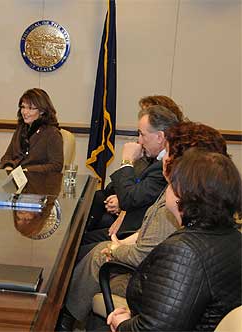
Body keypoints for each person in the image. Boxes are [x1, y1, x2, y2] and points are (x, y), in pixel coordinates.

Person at [58, 122, 229, 331]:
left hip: (143, 278)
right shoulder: (216, 222)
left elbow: (156, 320)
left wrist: (115, 250)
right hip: (148, 270)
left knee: (96, 258)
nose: (163, 158)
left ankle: (63, 319)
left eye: (168, 152)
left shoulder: (185, 247)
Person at [108, 149, 241, 331]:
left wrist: (122, 324)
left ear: (182, 193)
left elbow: (154, 329)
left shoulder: (184, 252)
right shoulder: (233, 236)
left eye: (171, 183)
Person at [82, 104, 181, 253]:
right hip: (129, 226)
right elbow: (122, 189)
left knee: (76, 247)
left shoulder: (165, 166)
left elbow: (128, 199)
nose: (139, 141)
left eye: (142, 134)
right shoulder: (154, 159)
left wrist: (127, 160)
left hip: (133, 234)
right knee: (80, 238)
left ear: (160, 137)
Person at [0, 88, 63, 172]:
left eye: (30, 108)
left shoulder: (52, 133)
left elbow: (56, 165)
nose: (25, 112)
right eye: (23, 107)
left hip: (39, 182)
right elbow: (7, 156)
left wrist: (27, 170)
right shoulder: (21, 129)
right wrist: (8, 166)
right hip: (16, 179)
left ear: (42, 111)